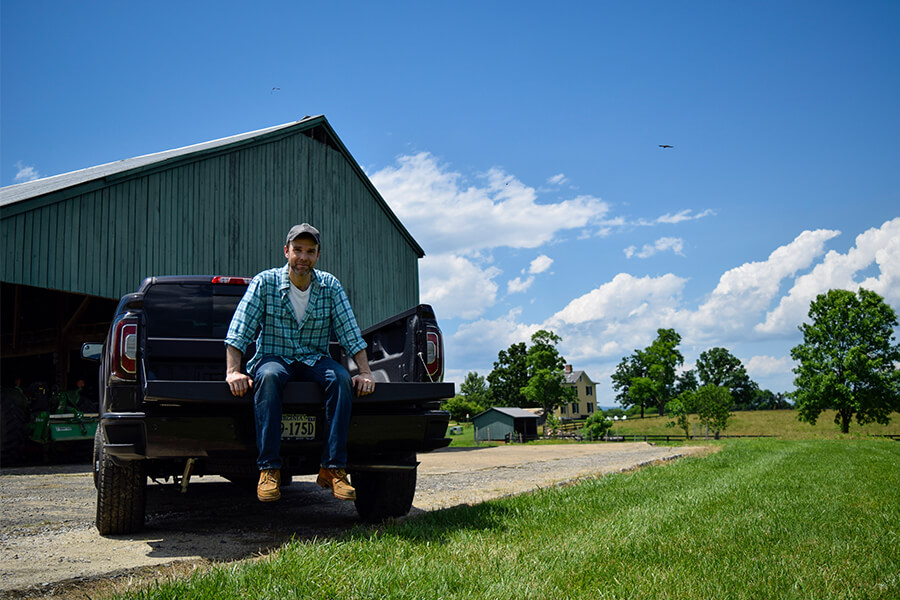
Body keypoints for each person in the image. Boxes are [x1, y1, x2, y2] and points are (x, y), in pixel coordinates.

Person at [224, 223, 376, 503]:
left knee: (340, 378)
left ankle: (332, 469)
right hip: (273, 355)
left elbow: (349, 332)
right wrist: (233, 371)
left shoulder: (330, 286)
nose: (303, 257)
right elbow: (240, 328)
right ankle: (269, 470)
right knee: (268, 377)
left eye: (310, 251)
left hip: (313, 357)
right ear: (286, 251)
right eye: (297, 250)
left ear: (318, 255)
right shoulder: (265, 282)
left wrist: (364, 372)